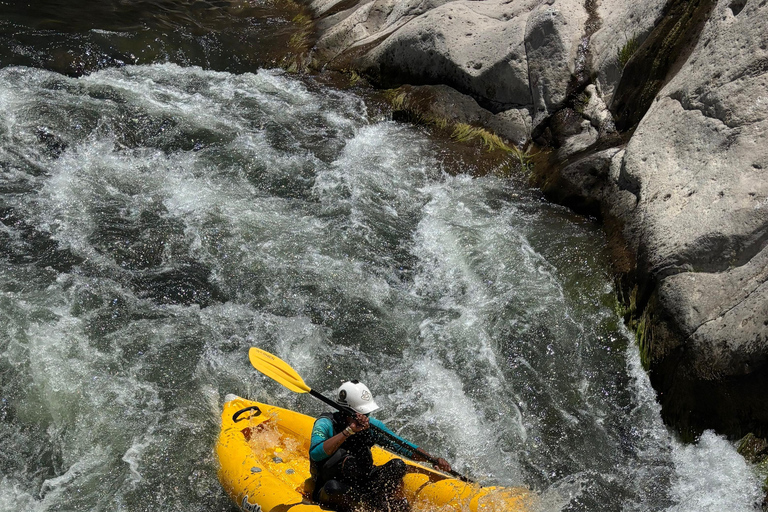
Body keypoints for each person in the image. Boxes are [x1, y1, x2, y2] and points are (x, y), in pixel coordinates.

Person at [309, 380, 451, 512]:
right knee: (332, 488)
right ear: (346, 411)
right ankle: (372, 506)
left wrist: (432, 459)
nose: (366, 417)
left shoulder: (370, 426)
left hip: (363, 483)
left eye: (367, 413)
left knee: (397, 465)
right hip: (334, 484)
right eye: (363, 413)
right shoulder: (325, 423)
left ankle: (384, 503)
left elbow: (403, 446)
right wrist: (348, 431)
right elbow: (315, 453)